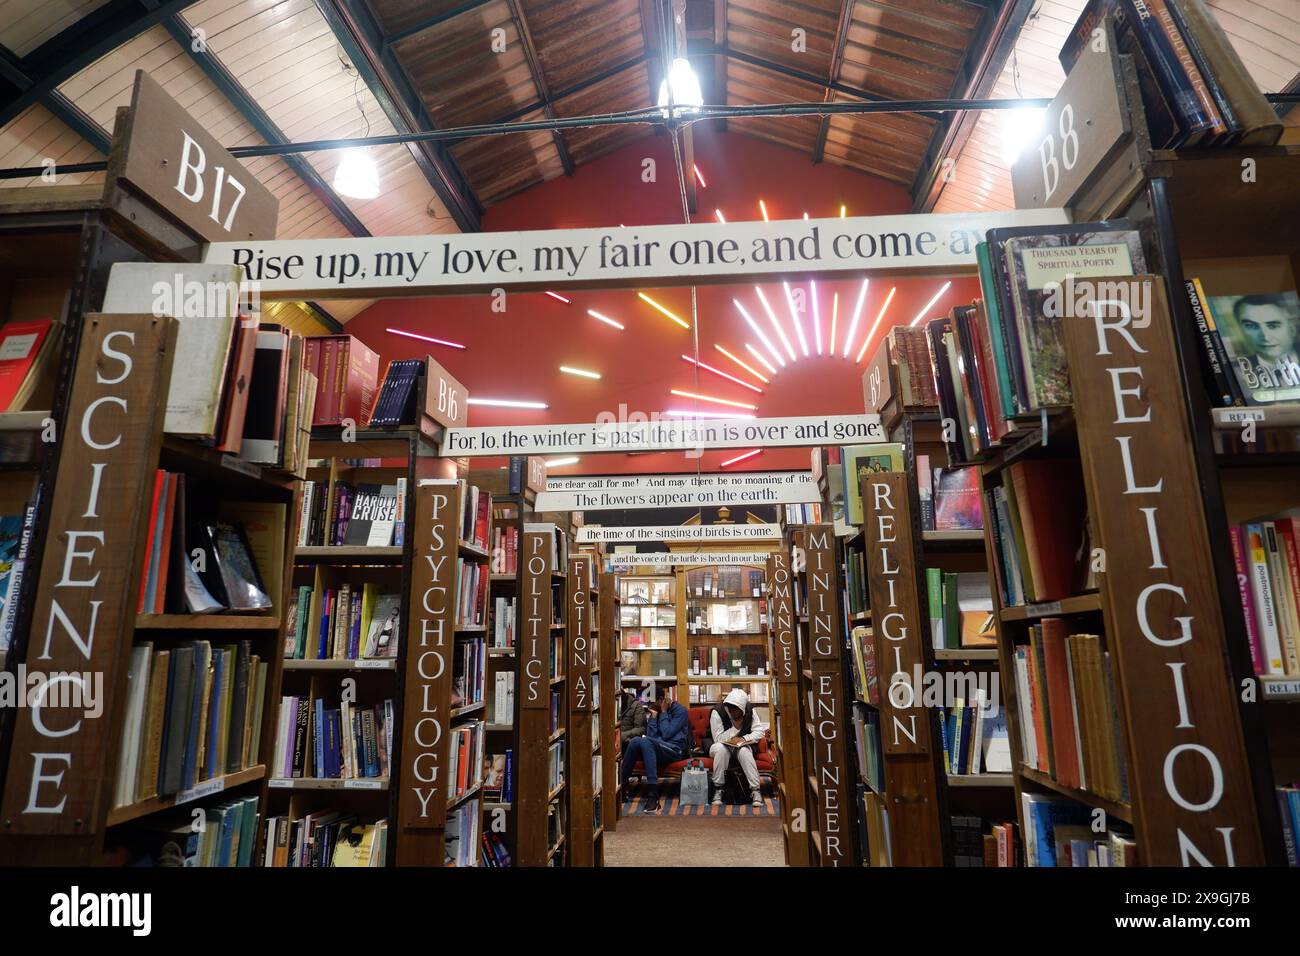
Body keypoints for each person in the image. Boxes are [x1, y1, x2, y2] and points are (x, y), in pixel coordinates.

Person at [620, 684, 690, 812]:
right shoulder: (655, 712)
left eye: (652, 702)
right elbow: (651, 736)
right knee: (636, 741)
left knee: (645, 741)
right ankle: (622, 786)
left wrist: (663, 713)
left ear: (661, 699)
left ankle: (653, 795)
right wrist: (653, 718)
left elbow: (667, 733)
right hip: (658, 748)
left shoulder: (680, 711)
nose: (650, 706)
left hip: (675, 749)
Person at [709, 688, 767, 808]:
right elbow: (718, 738)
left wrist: (744, 739)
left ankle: (755, 791)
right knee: (721, 750)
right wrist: (735, 728)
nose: (734, 713)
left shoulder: (749, 710)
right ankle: (718, 789)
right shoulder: (717, 711)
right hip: (720, 745)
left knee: (744, 751)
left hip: (742, 745)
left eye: (738, 711)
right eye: (732, 710)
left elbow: (759, 732)